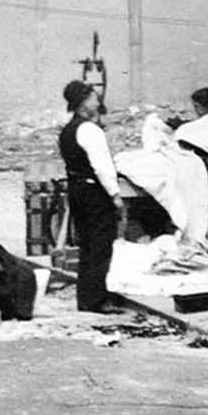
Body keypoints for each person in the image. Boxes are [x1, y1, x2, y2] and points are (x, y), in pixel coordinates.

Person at [58, 80, 126, 314]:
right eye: (94, 98)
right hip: (93, 193)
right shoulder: (90, 130)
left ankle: (86, 298)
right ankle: (97, 299)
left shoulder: (67, 131)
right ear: (84, 102)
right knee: (100, 244)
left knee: (86, 245)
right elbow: (102, 167)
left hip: (76, 191)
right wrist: (115, 196)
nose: (98, 102)